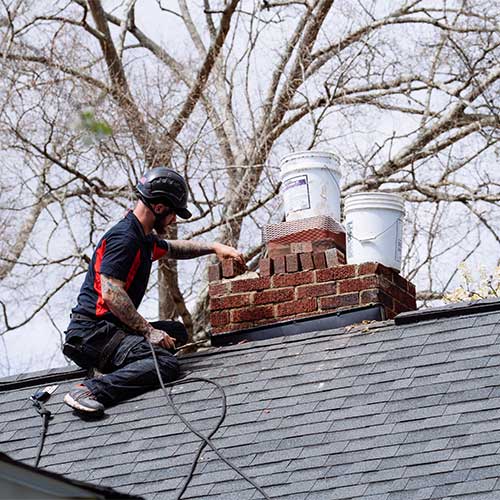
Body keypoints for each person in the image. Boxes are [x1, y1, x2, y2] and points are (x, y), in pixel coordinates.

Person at [63, 167, 244, 413]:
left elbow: (175, 248)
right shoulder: (125, 238)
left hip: (109, 330)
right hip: (92, 335)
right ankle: (90, 389)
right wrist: (149, 332)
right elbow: (110, 293)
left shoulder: (144, 238)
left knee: (176, 332)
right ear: (159, 208)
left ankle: (125, 365)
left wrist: (214, 247)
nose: (174, 220)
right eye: (173, 214)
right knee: (166, 364)